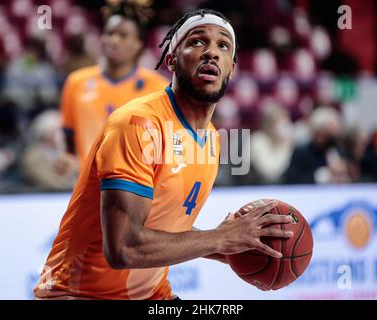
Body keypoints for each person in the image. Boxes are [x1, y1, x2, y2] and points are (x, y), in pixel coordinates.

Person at [34, 9, 294, 300]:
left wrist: (227, 246)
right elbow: (124, 247)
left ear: (231, 68)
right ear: (171, 60)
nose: (211, 52)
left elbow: (161, 221)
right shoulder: (137, 123)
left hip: (152, 294)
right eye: (197, 42)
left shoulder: (212, 138)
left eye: (223, 46)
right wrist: (219, 237)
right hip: (78, 293)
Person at [61, 0, 169, 166]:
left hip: (138, 185)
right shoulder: (76, 82)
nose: (113, 40)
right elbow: (69, 139)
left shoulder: (158, 88)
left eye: (123, 35)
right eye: (109, 33)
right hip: (88, 184)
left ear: (139, 45)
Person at [284, 106, 350, 184]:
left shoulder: (337, 151)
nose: (331, 139)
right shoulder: (301, 152)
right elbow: (291, 179)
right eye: (326, 134)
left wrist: (344, 173)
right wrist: (318, 176)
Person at [250, 103, 294, 184]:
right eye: (278, 123)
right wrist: (284, 147)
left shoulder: (289, 140)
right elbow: (271, 174)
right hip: (259, 188)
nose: (283, 128)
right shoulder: (257, 141)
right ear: (268, 124)